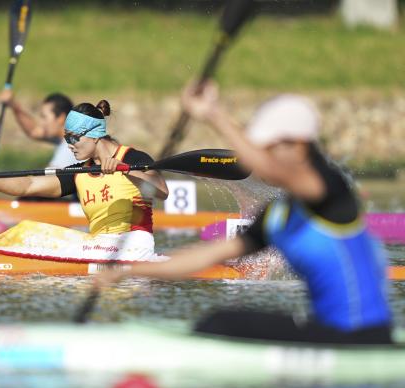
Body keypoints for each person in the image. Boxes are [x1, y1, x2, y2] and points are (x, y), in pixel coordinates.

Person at [96, 83, 393, 345]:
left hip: (363, 337)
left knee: (222, 324)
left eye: (268, 148)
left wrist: (212, 114)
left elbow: (269, 169)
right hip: (327, 331)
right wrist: (128, 271)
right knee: (220, 319)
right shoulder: (277, 216)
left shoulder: (332, 189)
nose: (260, 156)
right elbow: (204, 257)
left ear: (299, 145)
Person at [0, 100, 169, 263]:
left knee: (31, 236)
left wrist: (124, 170)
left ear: (94, 135)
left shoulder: (133, 158)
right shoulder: (80, 172)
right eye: (66, 138)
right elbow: (29, 185)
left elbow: (162, 190)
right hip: (98, 247)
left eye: (73, 138)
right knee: (27, 230)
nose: (69, 145)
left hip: (133, 246)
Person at [0, 89, 79, 168]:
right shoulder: (70, 138)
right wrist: (14, 105)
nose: (41, 123)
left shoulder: (69, 148)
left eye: (44, 117)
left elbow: (45, 179)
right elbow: (34, 131)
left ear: (61, 118)